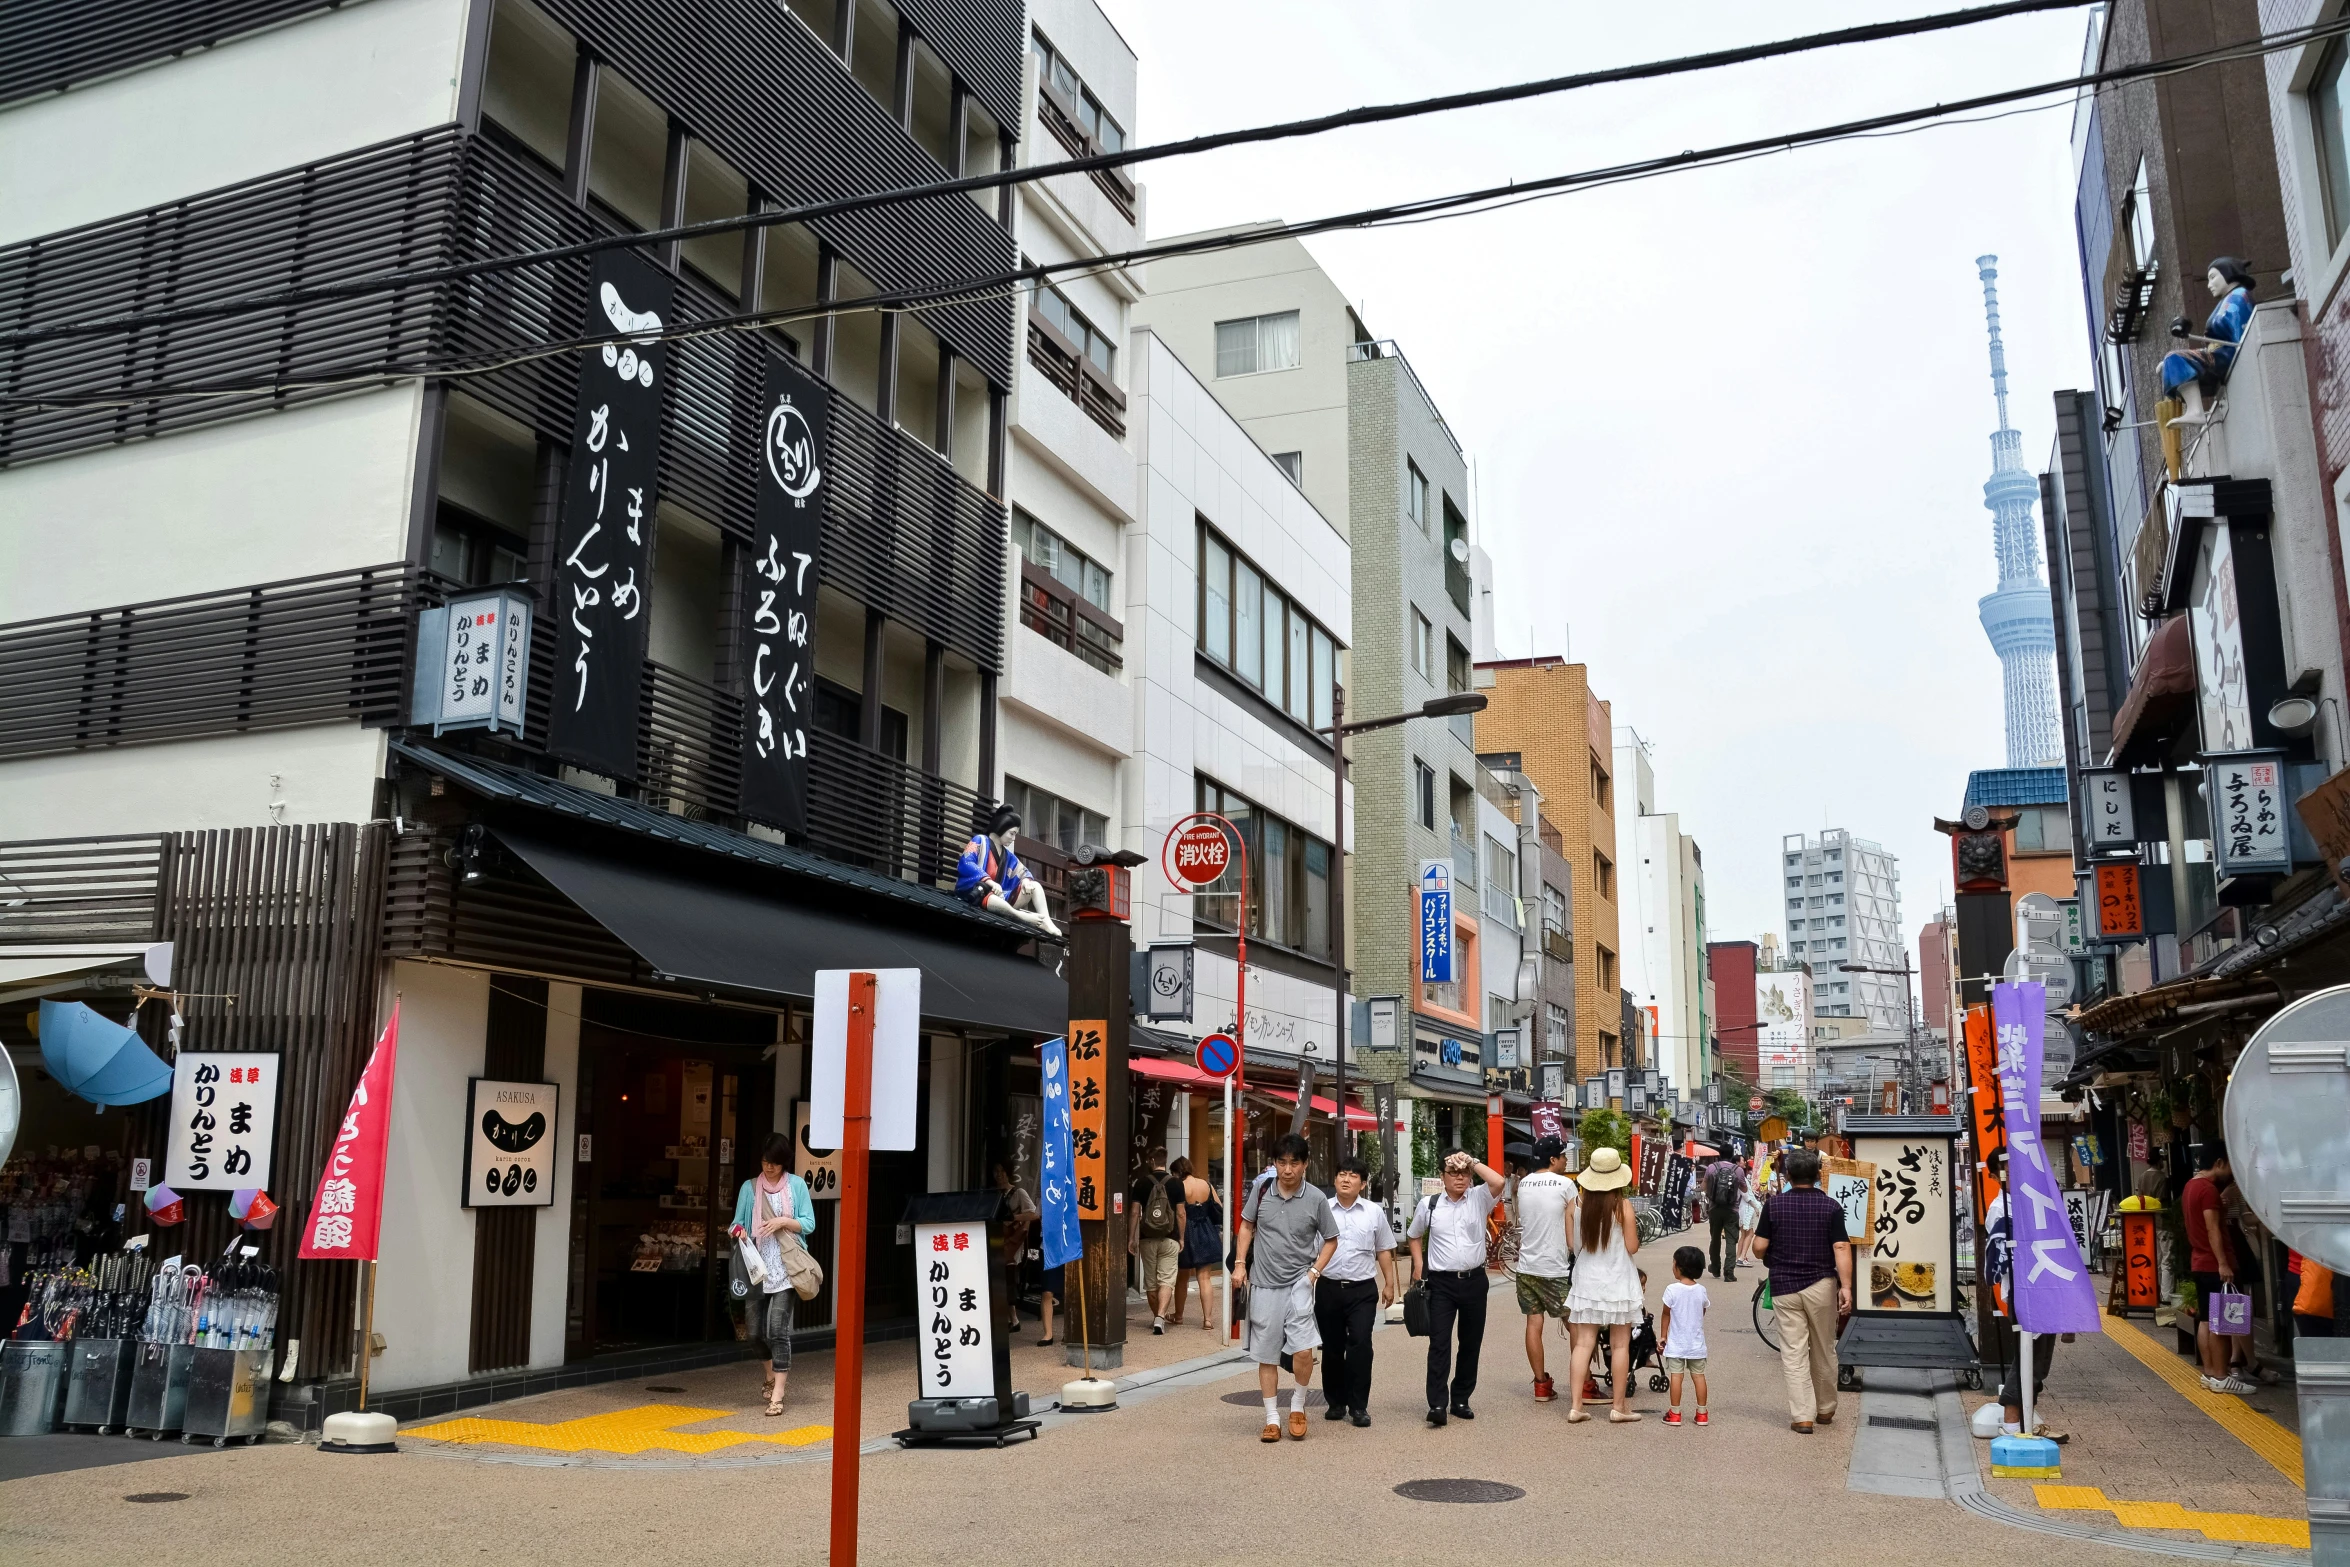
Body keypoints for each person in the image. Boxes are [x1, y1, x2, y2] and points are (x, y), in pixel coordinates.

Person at [1233, 1133, 1339, 1442]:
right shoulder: (1262, 1189)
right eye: (1282, 1162)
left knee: (1303, 1351)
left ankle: (1297, 1405)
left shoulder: (1316, 1198)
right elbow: (1247, 1225)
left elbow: (1331, 1239)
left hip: (1299, 1285)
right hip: (1264, 1285)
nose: (1288, 1169)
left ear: (1305, 1164)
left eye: (1294, 1162)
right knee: (1267, 1354)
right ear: (1275, 1164)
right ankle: (1271, 1418)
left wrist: (1313, 1274)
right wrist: (1240, 1263)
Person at [1752, 1147, 1853, 1433]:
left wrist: (1770, 1252)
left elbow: (1758, 1247)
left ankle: (1802, 1417)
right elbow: (1841, 1247)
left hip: (1784, 1284)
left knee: (1793, 1351)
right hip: (1822, 1284)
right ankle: (1825, 1410)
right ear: (1819, 1175)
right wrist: (1845, 1287)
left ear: (1788, 1175)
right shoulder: (1832, 1207)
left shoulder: (1774, 1206)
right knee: (1824, 1347)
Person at [1407, 1148, 1506, 1426]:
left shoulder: (1478, 1198)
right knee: (1439, 1343)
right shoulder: (1430, 1204)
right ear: (1443, 1177)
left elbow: (1498, 1182)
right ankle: (1437, 1404)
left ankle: (1460, 1398)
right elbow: (1414, 1235)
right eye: (1453, 1172)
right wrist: (1417, 1264)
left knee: (1470, 1342)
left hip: (1474, 1281)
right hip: (1441, 1284)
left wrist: (1471, 1161)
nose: (1460, 1178)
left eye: (1464, 1173)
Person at [729, 1133, 816, 1417]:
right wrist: (739, 1231)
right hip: (757, 1269)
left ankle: (778, 1392)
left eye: (774, 1164)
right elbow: (736, 1224)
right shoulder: (749, 1188)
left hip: (787, 1267)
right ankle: (769, 1374)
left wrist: (782, 1221)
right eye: (765, 1162)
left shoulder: (797, 1186)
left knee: (778, 1330)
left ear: (783, 1163)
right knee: (754, 1333)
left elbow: (809, 1223)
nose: (769, 1168)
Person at [1562, 1145, 1644, 1424]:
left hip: (1587, 1279)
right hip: (1618, 1279)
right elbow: (1631, 1247)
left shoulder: (1577, 1205)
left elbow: (1574, 1246)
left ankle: (1575, 1405)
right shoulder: (1622, 1206)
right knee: (1620, 1344)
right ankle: (1619, 1407)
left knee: (1583, 1343)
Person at [1317, 1155, 1397, 1427]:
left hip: (1362, 1290)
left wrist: (1389, 1283)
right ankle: (1336, 1403)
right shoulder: (1322, 1208)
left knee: (1361, 1344)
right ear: (1335, 1178)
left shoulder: (1373, 1212)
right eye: (1341, 1173)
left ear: (1362, 1184)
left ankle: (1359, 1405)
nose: (1346, 1179)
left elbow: (1383, 1248)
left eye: (1352, 1175)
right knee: (1332, 1347)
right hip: (1327, 1288)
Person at [2184, 1145, 2253, 1394]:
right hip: (2215, 1265)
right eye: (2232, 1164)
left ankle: (2211, 1374)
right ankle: (2223, 1376)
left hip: (2199, 1262)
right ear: (2220, 1162)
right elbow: (2213, 1229)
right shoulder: (2208, 1190)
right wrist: (2223, 1262)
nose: (2233, 1170)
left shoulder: (2191, 1186)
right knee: (2223, 1322)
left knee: (2206, 1319)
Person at [1513, 1135, 1577, 1402]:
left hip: (1526, 1266)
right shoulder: (1566, 1185)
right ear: (1553, 1160)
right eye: (1563, 1156)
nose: (1565, 1160)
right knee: (1575, 1323)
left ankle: (1541, 1385)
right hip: (1556, 1267)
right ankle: (1583, 1383)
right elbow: (1574, 1223)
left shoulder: (1523, 1184)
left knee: (1533, 1322)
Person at [1128, 1147, 1185, 1335]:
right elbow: (1181, 1214)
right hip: (1170, 1239)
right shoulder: (1177, 1184)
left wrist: (1132, 1238)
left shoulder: (1141, 1184)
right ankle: (1161, 1317)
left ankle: (1157, 1318)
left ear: (1152, 1161)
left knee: (1151, 1284)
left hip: (1147, 1239)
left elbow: (1135, 1212)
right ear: (1165, 1161)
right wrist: (1182, 1237)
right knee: (1167, 1280)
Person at [1168, 1156, 1223, 1330]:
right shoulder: (1206, 1184)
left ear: (1177, 1172)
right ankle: (1207, 1320)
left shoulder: (1179, 1186)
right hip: (1206, 1230)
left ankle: (1178, 1316)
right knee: (1204, 1277)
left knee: (1182, 1278)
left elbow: (1178, 1212)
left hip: (1187, 1232)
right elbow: (1219, 1206)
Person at [1660, 1243, 1710, 1427]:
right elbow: (1702, 1310)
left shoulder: (1672, 1290)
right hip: (1696, 1344)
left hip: (1677, 1343)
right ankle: (1702, 1413)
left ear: (1679, 1267)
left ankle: (1675, 1413)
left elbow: (1666, 1313)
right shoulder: (1701, 1290)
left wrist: (1663, 1336)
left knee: (1676, 1376)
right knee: (1699, 1376)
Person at [1703, 1153, 1746, 1281]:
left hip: (1714, 1209)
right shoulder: (1738, 1170)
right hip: (1732, 1210)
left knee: (1715, 1239)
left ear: (1719, 1155)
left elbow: (1704, 1187)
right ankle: (1729, 1272)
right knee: (1731, 1240)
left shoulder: (1711, 1167)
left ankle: (1715, 1268)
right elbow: (1744, 1189)